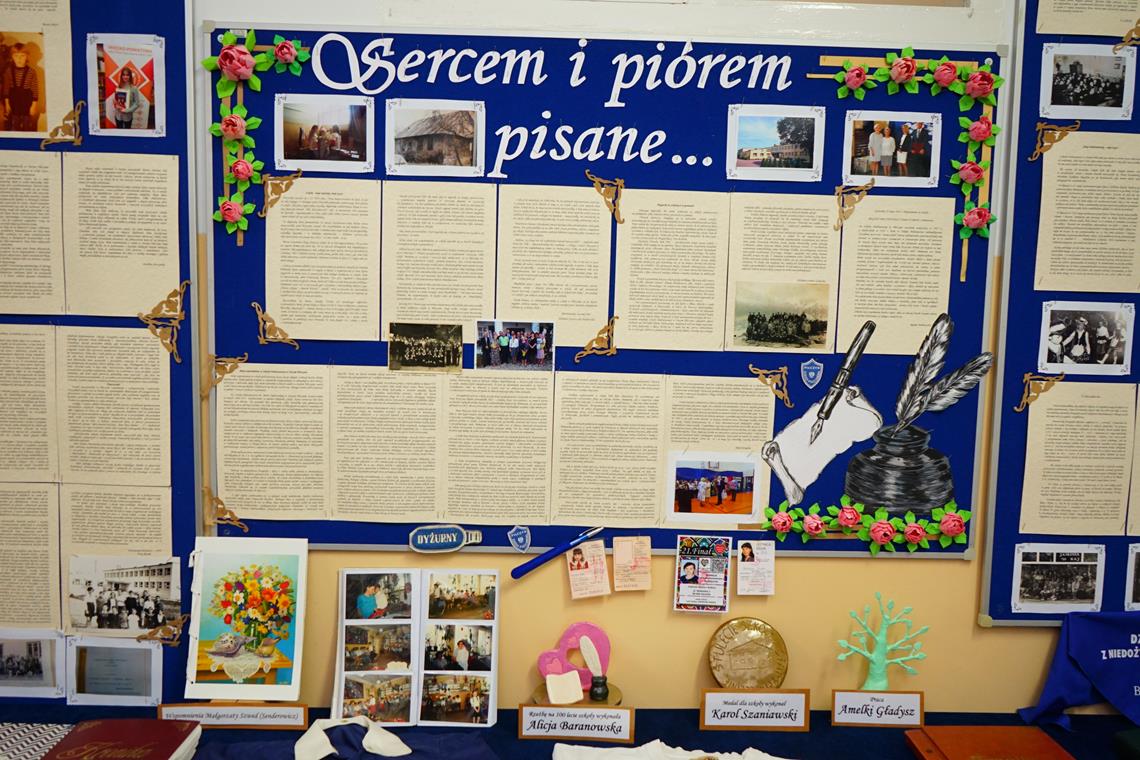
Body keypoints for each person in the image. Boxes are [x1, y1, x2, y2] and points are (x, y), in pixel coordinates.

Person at [3, 43, 39, 132]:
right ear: (12, 57)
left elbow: (35, 89)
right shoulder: (8, 71)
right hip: (13, 102)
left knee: (27, 124)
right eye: (16, 56)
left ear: (27, 56)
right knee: (15, 123)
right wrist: (7, 104)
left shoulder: (31, 72)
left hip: (27, 102)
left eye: (22, 56)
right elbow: (6, 89)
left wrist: (33, 106)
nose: (19, 58)